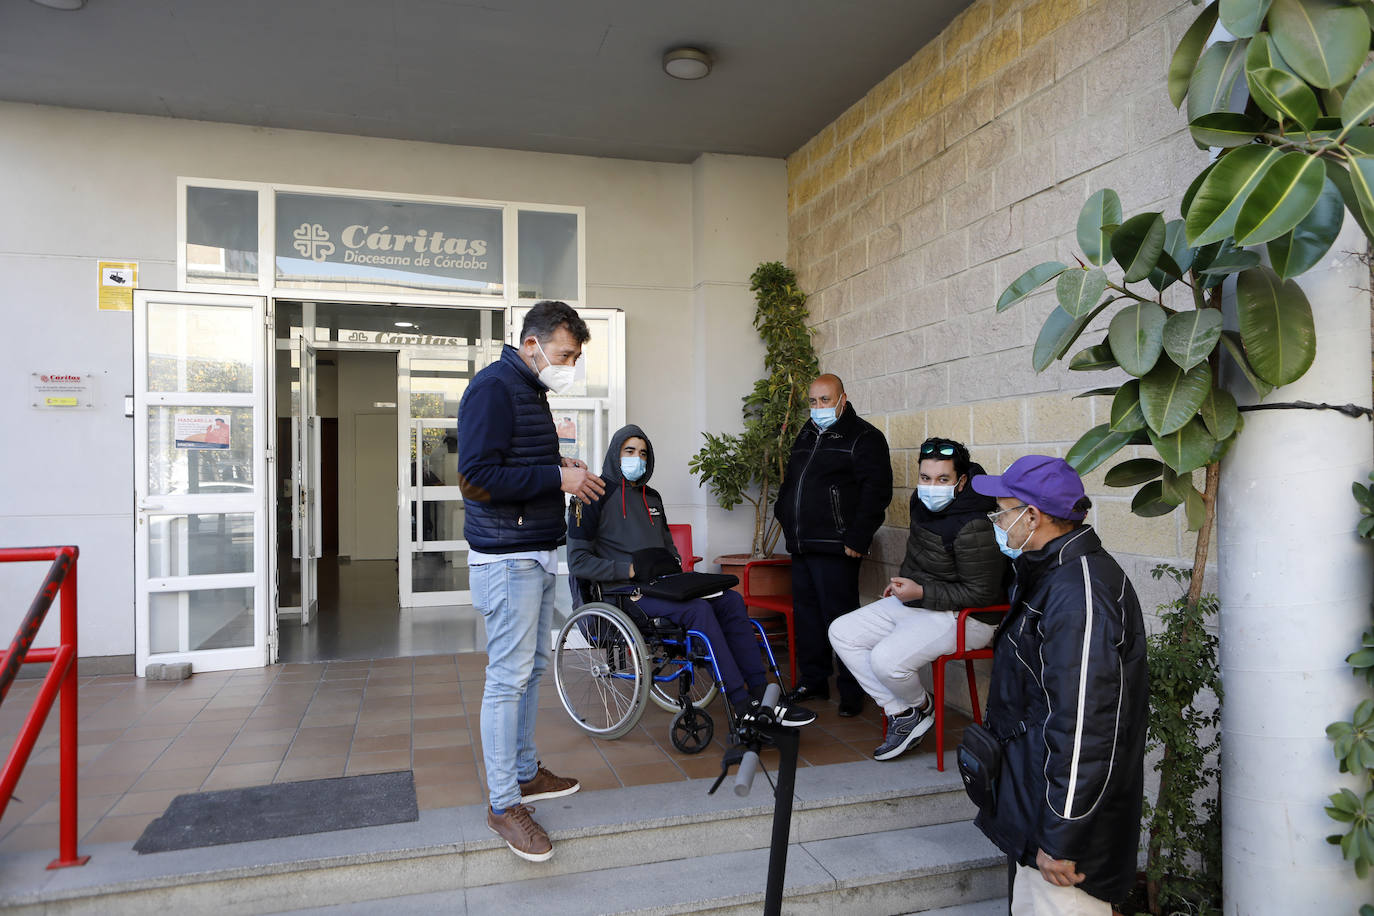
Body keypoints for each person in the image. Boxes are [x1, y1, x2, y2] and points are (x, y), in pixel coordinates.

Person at [457, 300, 605, 863]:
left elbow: (518, 463)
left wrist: (567, 469)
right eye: (565, 354)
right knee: (508, 677)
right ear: (532, 345)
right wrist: (555, 476)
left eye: (575, 356)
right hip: (508, 558)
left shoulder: (528, 390)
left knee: (532, 669)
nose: (569, 364)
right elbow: (476, 478)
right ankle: (502, 804)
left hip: (538, 552)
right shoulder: (493, 388)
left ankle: (523, 772)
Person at [968, 455, 1147, 915]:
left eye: (1002, 511)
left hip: (1064, 848)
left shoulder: (1079, 595)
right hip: (1036, 809)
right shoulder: (1048, 573)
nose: (996, 521)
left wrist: (1061, 836)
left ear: (1033, 516)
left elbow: (1085, 728)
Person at [567, 425, 814, 726]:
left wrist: (672, 567)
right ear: (615, 453)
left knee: (730, 601)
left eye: (643, 453)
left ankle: (764, 694)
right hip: (624, 593)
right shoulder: (592, 495)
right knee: (697, 610)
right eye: (629, 451)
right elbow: (578, 561)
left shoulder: (652, 497)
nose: (638, 459)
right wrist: (628, 570)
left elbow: (669, 546)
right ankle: (741, 702)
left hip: (663, 586)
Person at [828, 437, 1007, 761]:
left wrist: (921, 592)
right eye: (926, 478)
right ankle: (906, 712)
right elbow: (920, 556)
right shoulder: (921, 502)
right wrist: (902, 583)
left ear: (961, 481)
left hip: (970, 618)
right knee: (842, 631)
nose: (931, 487)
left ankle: (922, 707)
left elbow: (982, 594)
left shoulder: (974, 523)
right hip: (923, 603)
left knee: (886, 661)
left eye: (942, 479)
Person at [774, 373, 892, 715]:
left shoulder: (865, 437)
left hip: (838, 545)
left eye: (825, 400)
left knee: (841, 621)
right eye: (813, 401)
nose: (818, 407)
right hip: (802, 543)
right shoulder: (807, 432)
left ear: (843, 399)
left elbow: (877, 491)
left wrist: (858, 536)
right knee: (807, 618)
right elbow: (792, 482)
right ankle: (814, 681)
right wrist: (785, 514)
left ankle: (853, 691)